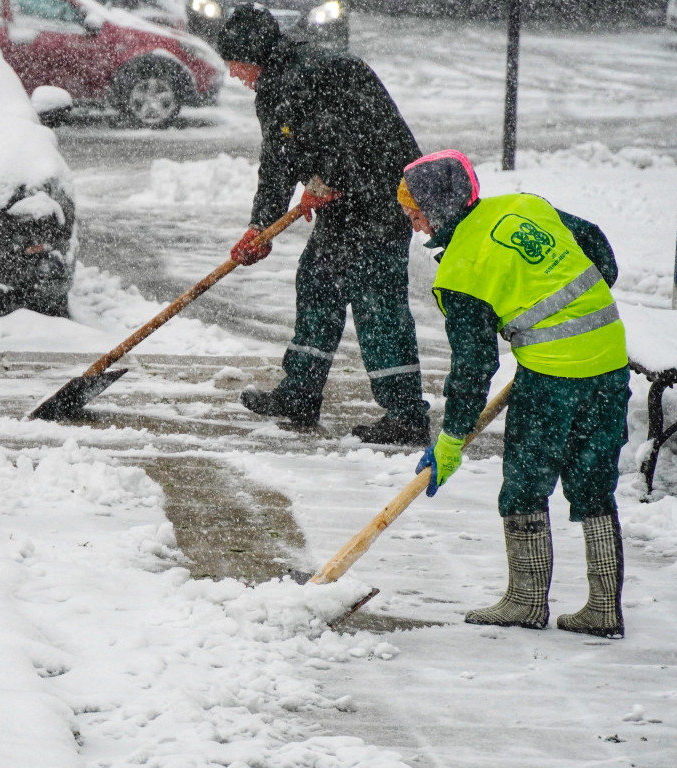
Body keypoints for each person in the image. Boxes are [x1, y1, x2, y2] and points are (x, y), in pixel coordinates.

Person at [402, 149, 629, 638]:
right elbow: (599, 252)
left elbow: (474, 367)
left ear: (440, 207)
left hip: (552, 376)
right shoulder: (525, 205)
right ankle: (604, 607)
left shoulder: (463, 269)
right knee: (593, 480)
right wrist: (571, 308)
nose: (414, 222)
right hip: (610, 357)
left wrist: (451, 441)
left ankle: (526, 601)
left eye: (416, 210)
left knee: (526, 482)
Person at [216, 4, 430, 445]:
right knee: (317, 284)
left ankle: (406, 415)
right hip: (346, 206)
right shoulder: (280, 85)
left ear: (251, 53)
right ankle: (299, 394)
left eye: (234, 64)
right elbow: (277, 162)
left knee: (377, 305)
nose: (234, 75)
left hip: (382, 201)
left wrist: (325, 180)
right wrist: (261, 225)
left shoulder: (313, 74)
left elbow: (356, 138)